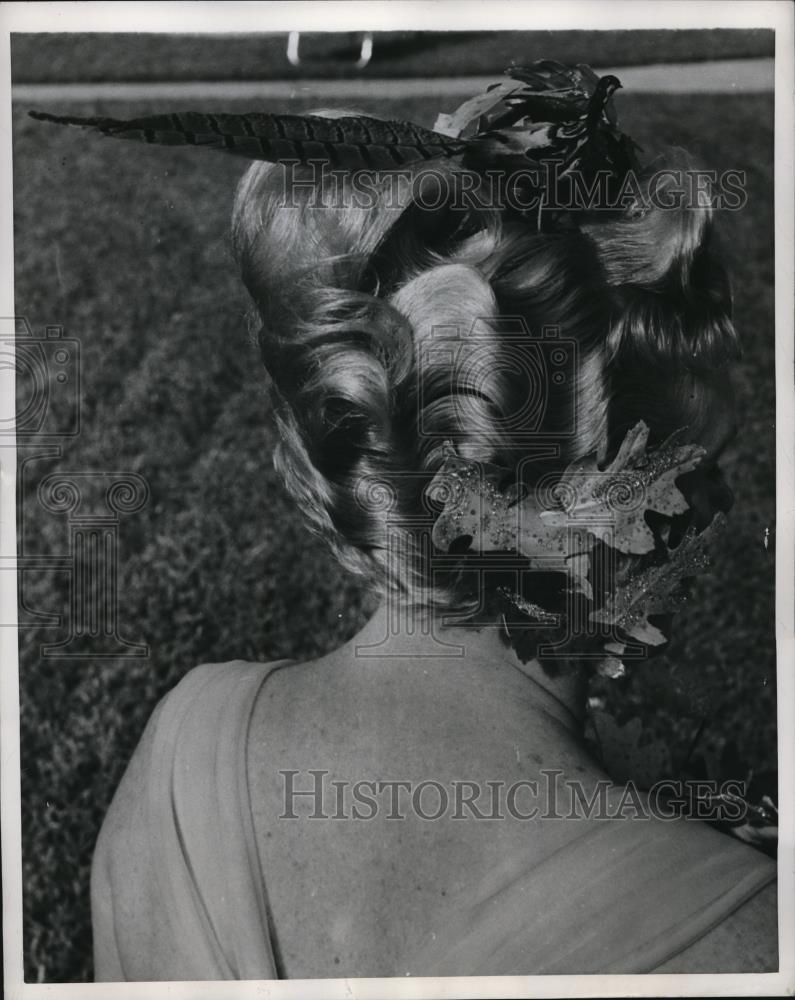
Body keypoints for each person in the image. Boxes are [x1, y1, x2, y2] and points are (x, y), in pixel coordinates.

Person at [57, 73, 775, 980]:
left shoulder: (180, 757)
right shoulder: (748, 938)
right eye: (695, 473)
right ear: (589, 497)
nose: (707, 522)